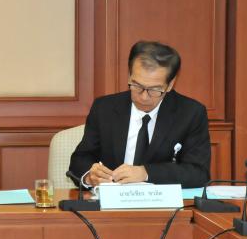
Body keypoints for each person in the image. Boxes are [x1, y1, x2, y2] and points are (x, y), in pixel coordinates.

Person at [69, 41, 211, 188]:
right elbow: (80, 160)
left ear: (170, 84)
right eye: (137, 85)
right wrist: (90, 176)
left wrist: (146, 173)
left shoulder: (190, 113)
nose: (144, 97)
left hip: (162, 201)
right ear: (129, 76)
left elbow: (198, 173)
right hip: (112, 199)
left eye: (154, 89)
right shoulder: (104, 108)